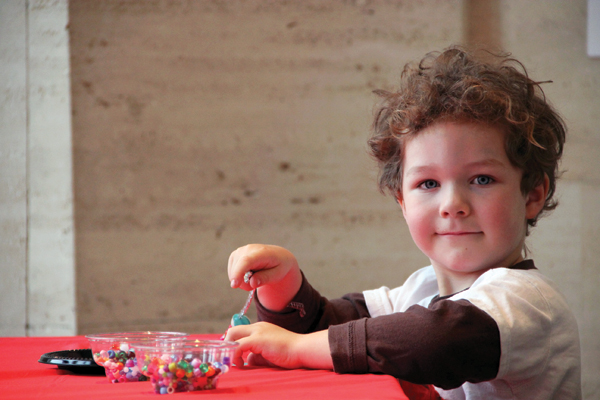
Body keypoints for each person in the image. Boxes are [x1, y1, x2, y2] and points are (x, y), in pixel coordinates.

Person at [224, 47, 582, 399]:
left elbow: (436, 340)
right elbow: (326, 326)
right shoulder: (420, 290)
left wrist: (298, 348)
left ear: (532, 195)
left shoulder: (529, 301)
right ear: (402, 202)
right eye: (428, 184)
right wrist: (282, 282)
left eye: (482, 179)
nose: (453, 205)